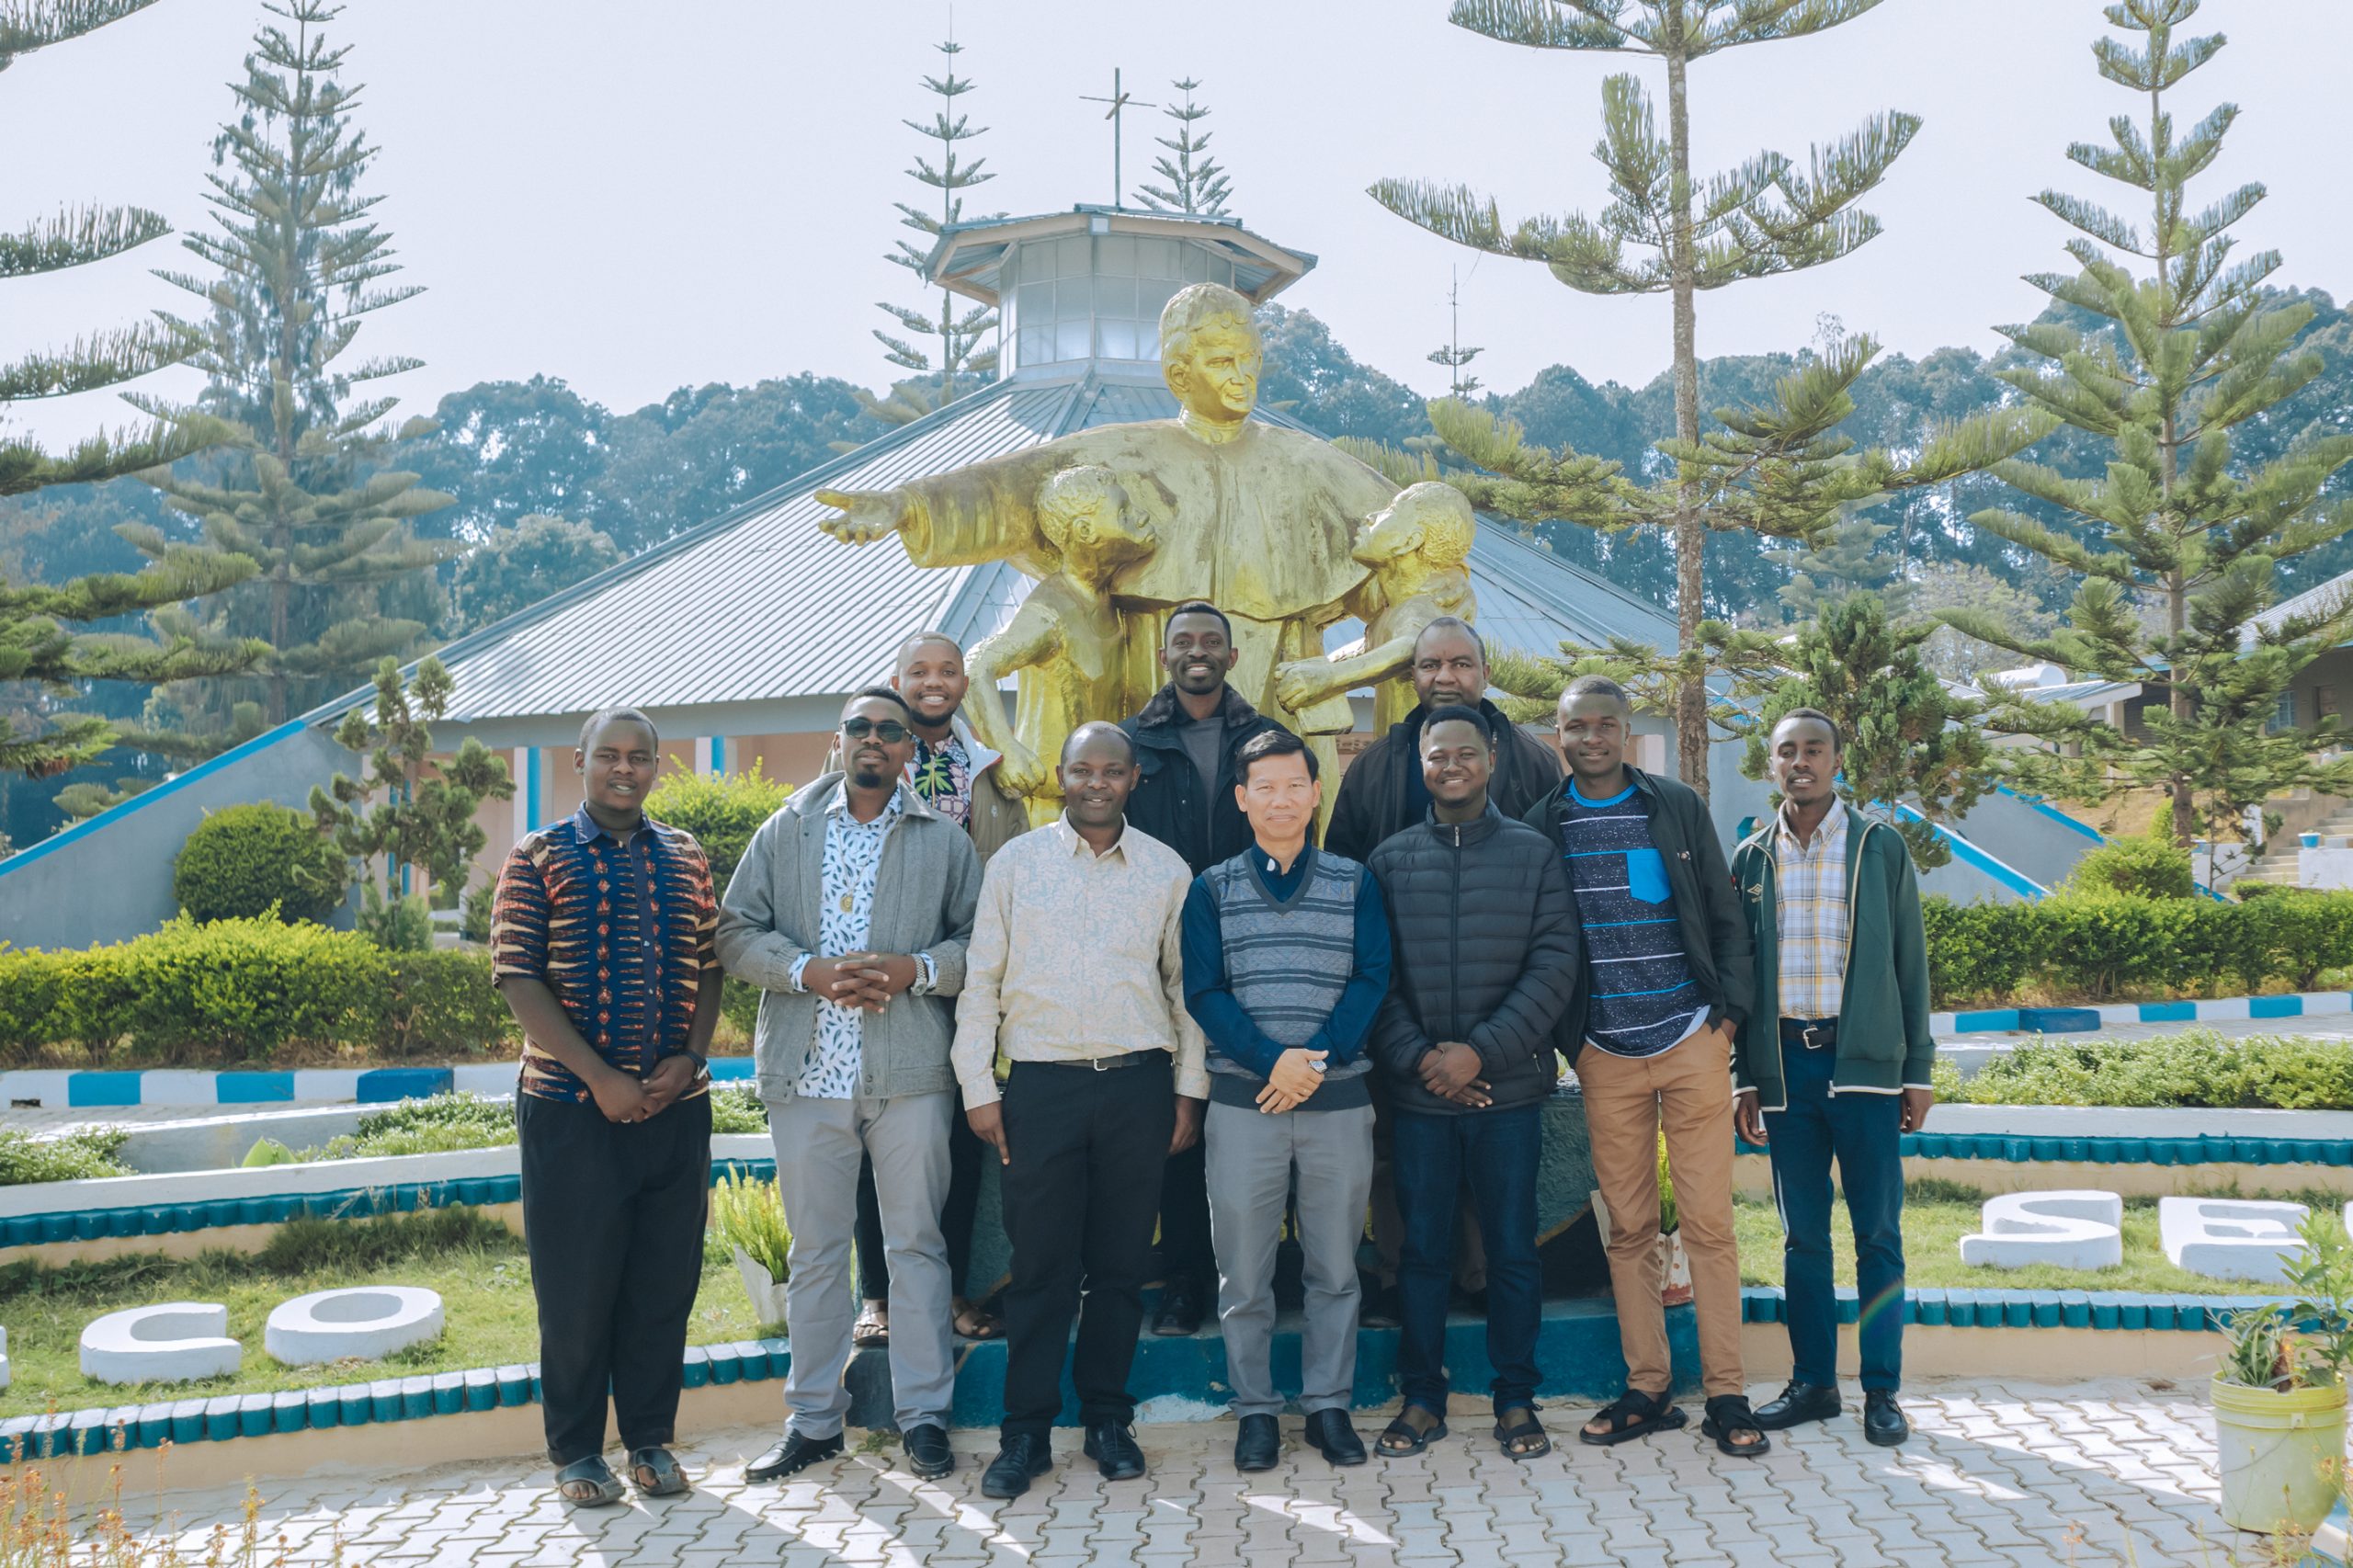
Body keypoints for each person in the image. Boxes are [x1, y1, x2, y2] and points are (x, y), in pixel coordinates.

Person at [716, 688, 983, 1483]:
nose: (873, 740)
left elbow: (980, 942)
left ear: (910, 750)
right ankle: (813, 1421)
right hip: (807, 1075)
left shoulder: (944, 842)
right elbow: (733, 931)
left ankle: (925, 1417)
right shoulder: (785, 829)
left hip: (909, 1077)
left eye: (889, 731)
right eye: (860, 727)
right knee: (819, 1254)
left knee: (917, 1248)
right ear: (840, 741)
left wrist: (916, 971)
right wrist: (809, 973)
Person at [953, 722, 1210, 1500]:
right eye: (1082, 770)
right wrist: (979, 1088)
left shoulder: (1166, 871)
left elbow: (1185, 990)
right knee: (1039, 1272)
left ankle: (1107, 1419)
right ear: (1061, 777)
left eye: (1112, 771)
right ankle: (1025, 1433)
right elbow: (981, 982)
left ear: (1133, 779)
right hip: (1042, 1090)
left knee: (1121, 1269)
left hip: (1137, 1085)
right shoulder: (1016, 865)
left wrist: (1188, 1090)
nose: (1097, 782)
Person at [1523, 676, 1764, 1459]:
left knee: (1708, 1227)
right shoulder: (1542, 826)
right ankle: (1649, 1388)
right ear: (1558, 734)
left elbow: (1724, 918)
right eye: (1575, 726)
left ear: (1626, 732)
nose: (1590, 738)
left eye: (1604, 725)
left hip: (1691, 1039)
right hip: (1606, 1055)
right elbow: (1542, 947)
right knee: (1628, 1231)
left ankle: (1727, 1394)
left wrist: (1723, 1021)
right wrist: (1576, 1041)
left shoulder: (1673, 806)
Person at [490, 707, 721, 1507]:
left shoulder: (687, 857)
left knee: (664, 1286)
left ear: (659, 766)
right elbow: (519, 979)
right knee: (577, 1288)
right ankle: (579, 1453)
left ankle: (652, 1442)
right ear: (580, 760)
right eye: (609, 756)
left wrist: (688, 1060)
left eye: (641, 757)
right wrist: (600, 1079)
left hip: (675, 1111)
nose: (625, 769)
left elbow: (709, 962)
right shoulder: (538, 856)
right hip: (569, 1111)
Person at [1325, 616, 1558, 1324]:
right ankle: (1403, 1280)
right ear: (1412, 677)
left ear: (1484, 674)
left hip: (1505, 1021)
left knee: (1497, 1164)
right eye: (1429, 665)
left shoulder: (1533, 759)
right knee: (1400, 1158)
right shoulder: (1372, 766)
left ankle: (1486, 1280)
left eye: (1460, 663)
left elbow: (1555, 901)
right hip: (1405, 1019)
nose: (1445, 677)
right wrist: (1405, 1039)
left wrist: (1499, 1038)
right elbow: (1345, 877)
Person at [1366, 706, 1578, 1462]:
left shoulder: (1533, 855)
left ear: (1489, 760)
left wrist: (1478, 1056)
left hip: (1509, 1095)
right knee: (1421, 1253)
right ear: (1420, 764)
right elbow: (1373, 979)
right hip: (1419, 1100)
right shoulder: (1389, 862)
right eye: (1436, 755)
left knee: (1512, 1252)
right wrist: (1425, 1061)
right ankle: (1421, 1397)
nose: (1450, 765)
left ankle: (1515, 1398)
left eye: (1464, 753)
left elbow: (1554, 965)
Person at [1181, 729, 1390, 1472]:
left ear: (1314, 793)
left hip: (1337, 1105)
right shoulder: (1212, 889)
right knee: (1245, 1272)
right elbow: (1204, 991)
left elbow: (1371, 978)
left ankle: (1329, 1406)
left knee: (1335, 1267)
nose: (1280, 800)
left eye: (1294, 785)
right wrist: (1276, 1062)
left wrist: (1313, 1063)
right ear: (1242, 799)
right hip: (1244, 1105)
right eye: (1264, 787)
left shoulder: (1353, 880)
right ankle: (1257, 1412)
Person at [1732, 708, 1935, 1449]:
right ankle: (1814, 1383)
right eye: (1787, 751)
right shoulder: (1752, 857)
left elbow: (1910, 962)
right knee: (1802, 1239)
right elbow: (1742, 978)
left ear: (1838, 760)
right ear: (1771, 764)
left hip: (1866, 1070)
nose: (1800, 762)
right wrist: (1745, 1077)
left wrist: (1918, 1069)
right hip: (1786, 1071)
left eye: (1814, 749)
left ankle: (1882, 1390)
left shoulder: (1879, 848)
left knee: (1878, 1235)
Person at [837, 632, 1024, 1357]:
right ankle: (878, 1295)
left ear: (964, 685)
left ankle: (950, 1290)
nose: (933, 682)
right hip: (879, 981)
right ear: (896, 679)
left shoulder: (991, 771)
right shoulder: (861, 755)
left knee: (959, 1137)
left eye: (948, 671)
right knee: (869, 1138)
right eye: (919, 671)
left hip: (965, 974)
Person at [1120, 600, 1287, 1337]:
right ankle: (1187, 1279)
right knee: (1181, 1117)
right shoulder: (1134, 743)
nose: (1197, 651)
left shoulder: (1268, 740)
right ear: (1164, 656)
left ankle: (1273, 1273)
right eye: (1183, 641)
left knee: (1262, 1104)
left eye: (1211, 641)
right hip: (1157, 950)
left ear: (1231, 655)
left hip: (1257, 943)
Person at [961, 466, 1160, 810]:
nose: (1141, 518)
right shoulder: (1049, 614)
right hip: (1050, 810)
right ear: (1085, 531)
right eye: (1124, 512)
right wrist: (1006, 751)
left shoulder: (1109, 602)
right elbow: (976, 667)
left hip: (1106, 804)